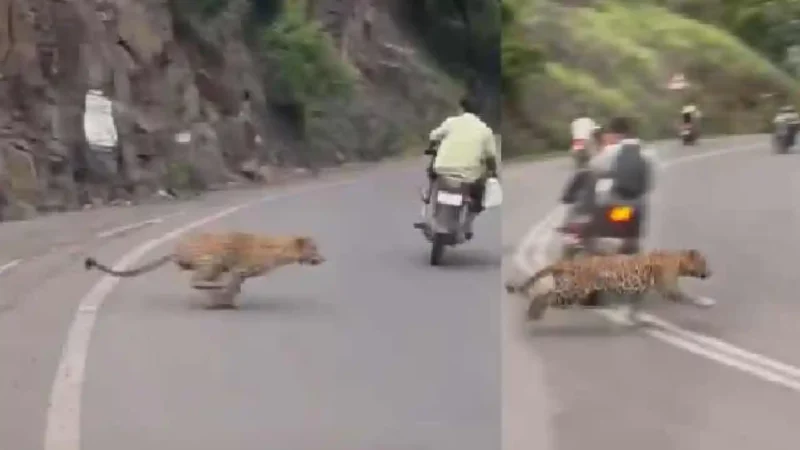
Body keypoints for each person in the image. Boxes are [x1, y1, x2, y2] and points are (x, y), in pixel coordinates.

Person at [416, 96, 499, 239]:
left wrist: (432, 146)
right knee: (480, 194)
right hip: (468, 176)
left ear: (461, 109)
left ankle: (427, 199)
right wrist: (493, 172)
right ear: (480, 112)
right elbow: (490, 156)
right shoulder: (485, 130)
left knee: (432, 175)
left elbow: (434, 136)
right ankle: (467, 224)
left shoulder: (451, 122)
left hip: (442, 170)